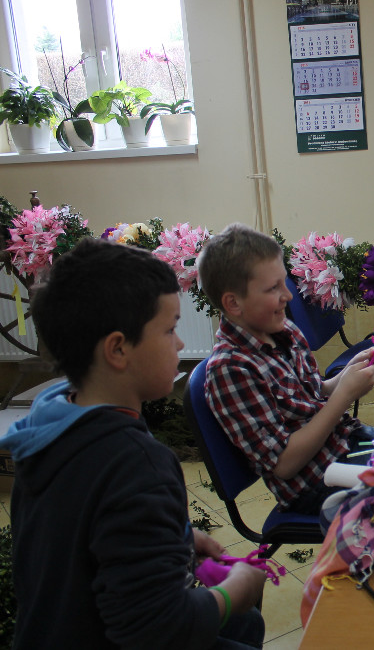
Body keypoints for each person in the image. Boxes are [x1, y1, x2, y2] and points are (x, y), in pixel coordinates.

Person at [0, 238, 266, 649]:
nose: (180, 344)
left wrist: (176, 537)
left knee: (243, 626)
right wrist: (238, 589)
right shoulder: (139, 464)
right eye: (170, 329)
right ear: (118, 349)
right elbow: (158, 629)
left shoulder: (46, 429)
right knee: (241, 616)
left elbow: (81, 530)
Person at [199, 223, 374, 516]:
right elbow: (284, 464)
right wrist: (344, 396)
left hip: (346, 443)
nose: (287, 297)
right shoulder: (231, 369)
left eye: (284, 283)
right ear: (233, 303)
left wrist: (351, 373)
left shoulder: (283, 330)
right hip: (315, 483)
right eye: (273, 288)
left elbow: (313, 392)